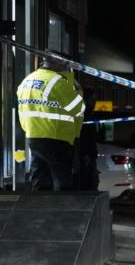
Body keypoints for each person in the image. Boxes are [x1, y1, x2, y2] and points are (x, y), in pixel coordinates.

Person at [17, 55, 84, 191]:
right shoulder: (58, 82)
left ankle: (41, 210)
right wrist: (75, 87)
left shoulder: (27, 80)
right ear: (57, 63)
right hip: (56, 137)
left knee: (40, 181)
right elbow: (78, 108)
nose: (67, 68)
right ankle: (63, 210)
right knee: (63, 182)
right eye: (66, 65)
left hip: (34, 136)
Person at [78, 87, 99, 190]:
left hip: (90, 153)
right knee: (88, 181)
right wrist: (85, 153)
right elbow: (85, 135)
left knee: (92, 180)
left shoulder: (89, 113)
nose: (95, 101)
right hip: (87, 154)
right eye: (93, 99)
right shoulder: (85, 114)